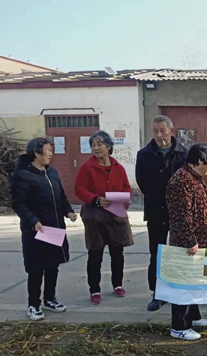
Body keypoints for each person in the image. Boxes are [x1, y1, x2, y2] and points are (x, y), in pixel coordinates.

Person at [11, 137, 77, 321]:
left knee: (52, 265)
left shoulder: (52, 173)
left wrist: (69, 211)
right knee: (36, 268)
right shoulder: (23, 175)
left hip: (54, 227)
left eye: (51, 150)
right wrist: (33, 220)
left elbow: (61, 197)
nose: (50, 154)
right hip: (36, 230)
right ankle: (33, 304)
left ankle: (50, 299)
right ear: (36, 152)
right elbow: (18, 204)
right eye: (47, 150)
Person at [166, 143, 207, 341]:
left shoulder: (195, 178)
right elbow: (181, 216)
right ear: (200, 161)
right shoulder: (181, 181)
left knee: (194, 281)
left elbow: (201, 205)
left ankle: (193, 317)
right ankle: (179, 326)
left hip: (200, 240)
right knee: (183, 284)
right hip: (188, 243)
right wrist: (190, 241)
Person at [75, 130, 134, 305]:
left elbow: (126, 187)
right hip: (95, 218)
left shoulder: (118, 167)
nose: (96, 148)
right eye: (93, 145)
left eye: (100, 144)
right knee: (95, 254)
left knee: (117, 253)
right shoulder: (87, 168)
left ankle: (118, 284)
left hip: (116, 216)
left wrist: (125, 199)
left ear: (108, 146)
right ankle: (94, 289)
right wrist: (95, 199)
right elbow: (79, 189)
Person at [136, 115, 187, 312]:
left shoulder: (184, 153)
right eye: (155, 131)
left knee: (179, 252)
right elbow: (142, 182)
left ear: (171, 131)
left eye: (162, 130)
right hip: (156, 210)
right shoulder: (144, 155)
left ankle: (179, 290)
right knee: (157, 253)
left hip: (179, 212)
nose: (159, 135)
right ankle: (157, 293)